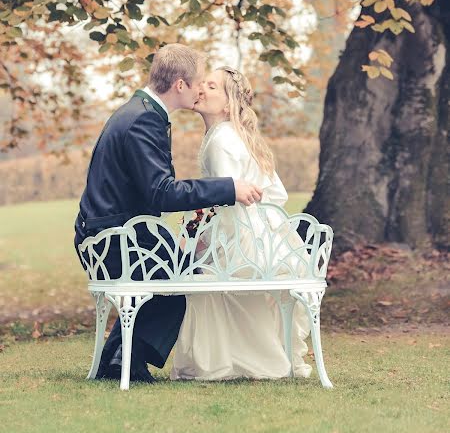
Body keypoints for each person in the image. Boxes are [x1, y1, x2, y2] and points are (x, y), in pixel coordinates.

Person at [74, 45, 262, 383]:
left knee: (184, 269)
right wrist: (229, 188)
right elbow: (161, 192)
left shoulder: (142, 110)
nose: (201, 89)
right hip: (113, 239)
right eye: (198, 83)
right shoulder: (144, 118)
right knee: (183, 282)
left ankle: (119, 360)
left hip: (116, 232)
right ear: (179, 85)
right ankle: (124, 361)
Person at [171, 67, 312, 380]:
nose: (201, 88)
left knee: (203, 282)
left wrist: (204, 237)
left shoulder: (221, 141)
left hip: (243, 239)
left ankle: (233, 362)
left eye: (211, 86)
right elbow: (276, 193)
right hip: (268, 237)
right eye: (202, 83)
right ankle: (257, 359)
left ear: (226, 104)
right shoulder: (235, 135)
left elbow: (225, 199)